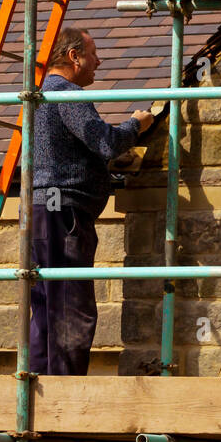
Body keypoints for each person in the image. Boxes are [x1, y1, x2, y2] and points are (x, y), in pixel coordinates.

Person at [32, 27, 154, 376]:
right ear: (74, 56)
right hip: (63, 210)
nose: (98, 61)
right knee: (71, 305)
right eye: (93, 53)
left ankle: (38, 389)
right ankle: (64, 396)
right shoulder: (65, 93)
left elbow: (77, 149)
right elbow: (104, 143)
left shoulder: (41, 95)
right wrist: (135, 125)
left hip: (45, 209)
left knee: (47, 304)